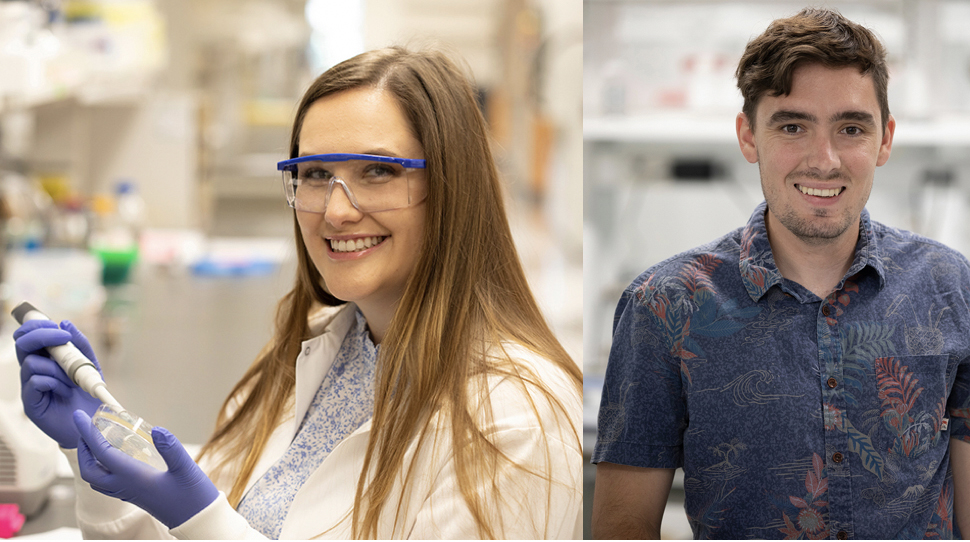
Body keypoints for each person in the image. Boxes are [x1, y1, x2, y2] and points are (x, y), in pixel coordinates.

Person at [11, 47, 582, 539]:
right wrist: (98, 452)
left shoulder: (517, 418)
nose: (336, 210)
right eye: (314, 174)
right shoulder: (308, 355)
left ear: (451, 187)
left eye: (378, 171)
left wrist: (200, 518)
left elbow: (208, 528)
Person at [589, 7, 970, 540]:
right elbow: (623, 527)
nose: (825, 160)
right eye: (793, 126)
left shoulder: (949, 285)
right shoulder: (663, 305)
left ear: (884, 139)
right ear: (749, 137)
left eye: (851, 128)